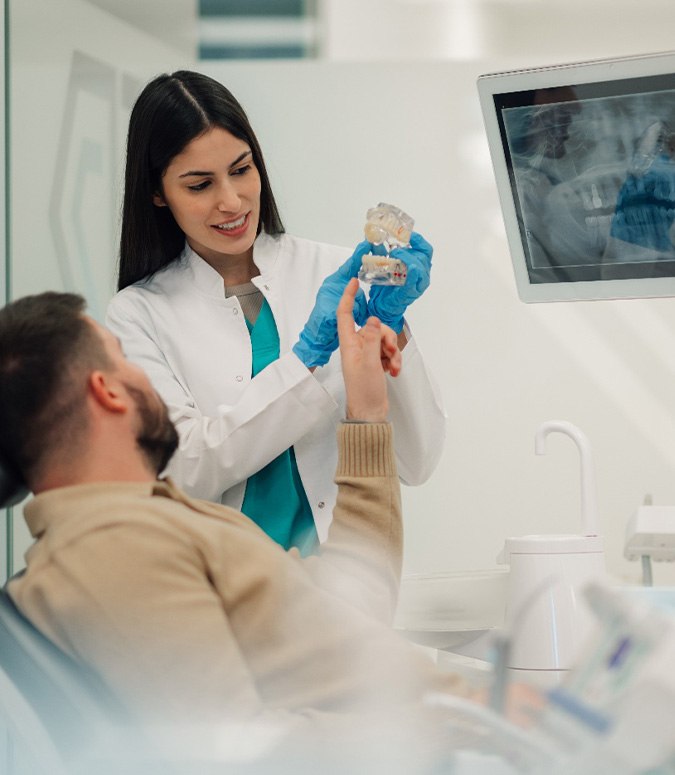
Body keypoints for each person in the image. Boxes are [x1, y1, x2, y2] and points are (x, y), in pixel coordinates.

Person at [0, 282, 468, 770]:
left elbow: (354, 607)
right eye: (123, 358)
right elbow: (243, 754)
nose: (142, 373)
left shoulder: (154, 523)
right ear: (108, 390)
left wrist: (366, 414)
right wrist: (455, 722)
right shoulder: (114, 550)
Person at [105, 70, 446, 555]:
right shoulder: (138, 314)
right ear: (158, 193)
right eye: (200, 185)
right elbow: (179, 472)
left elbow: (417, 462)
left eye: (241, 170)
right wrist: (306, 357)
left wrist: (394, 329)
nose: (231, 201)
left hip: (346, 584)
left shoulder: (333, 273)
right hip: (228, 599)